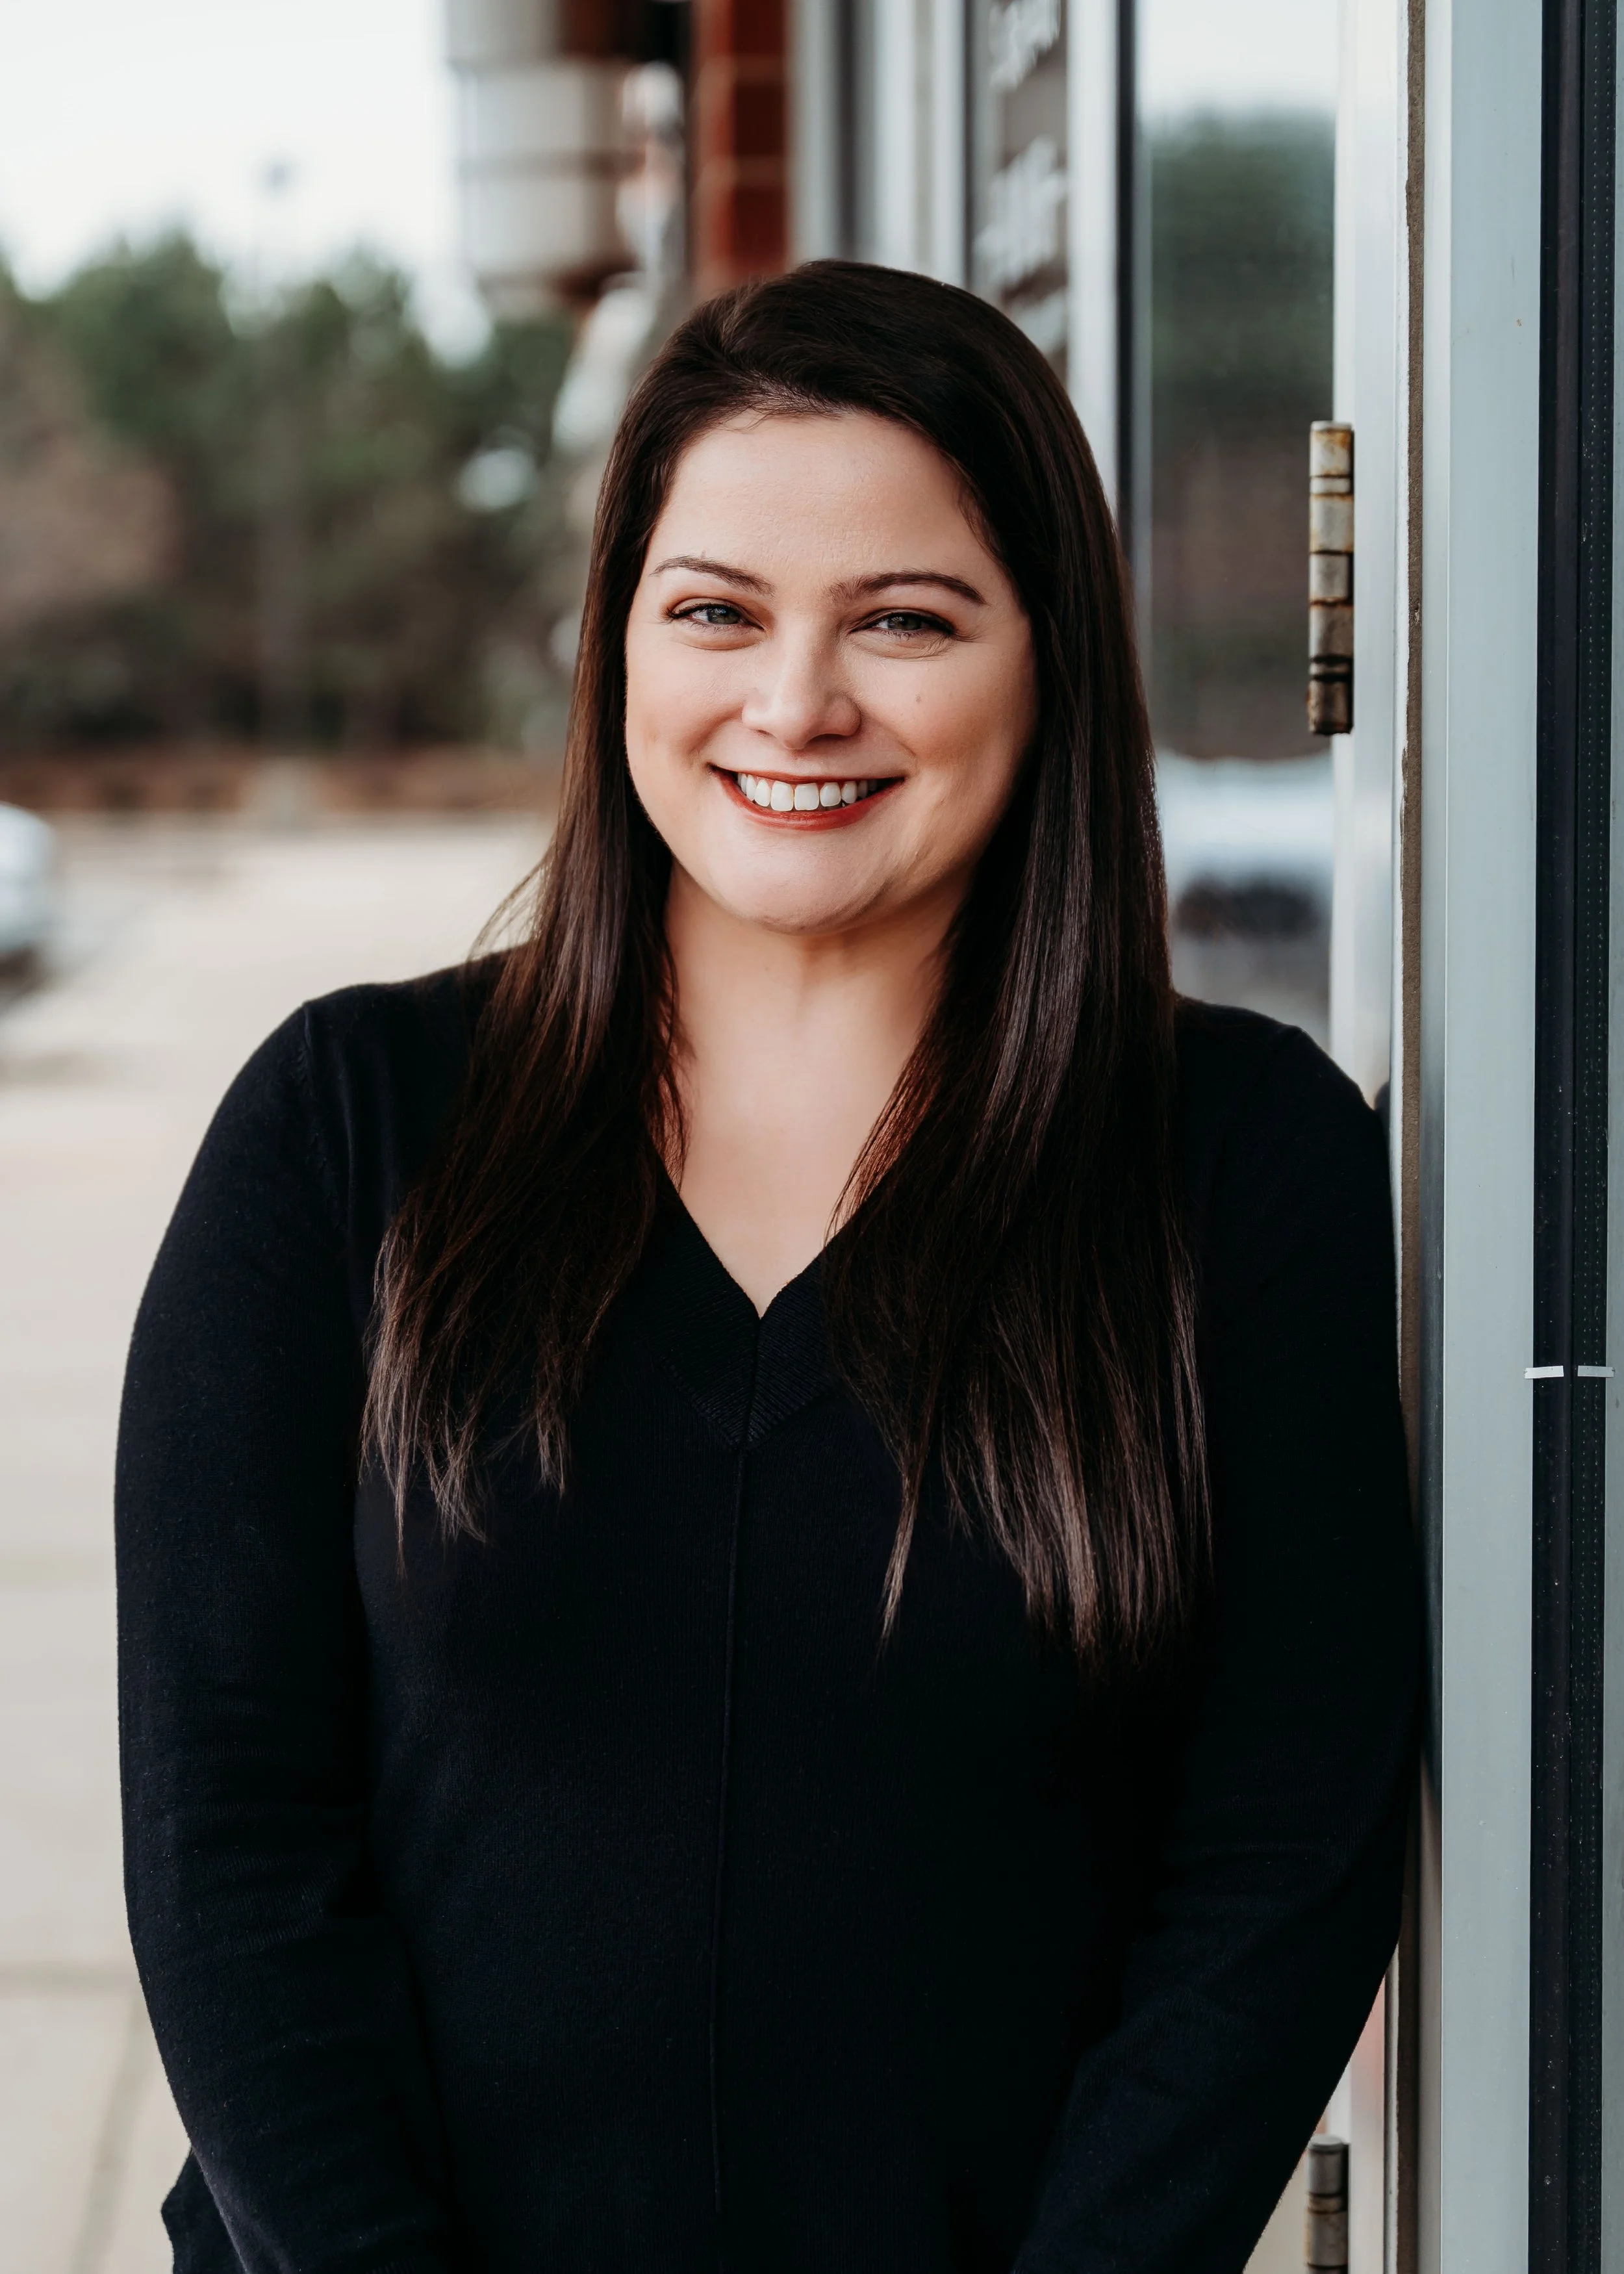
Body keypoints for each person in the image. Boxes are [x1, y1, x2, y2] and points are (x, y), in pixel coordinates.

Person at [116, 261, 1421, 2274]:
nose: (794, 700)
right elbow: (231, 1848)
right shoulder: (348, 1128)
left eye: (903, 619)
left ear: (1047, 659)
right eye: (714, 608)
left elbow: (1285, 1852)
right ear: (616, 646)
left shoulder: (1239, 1167)